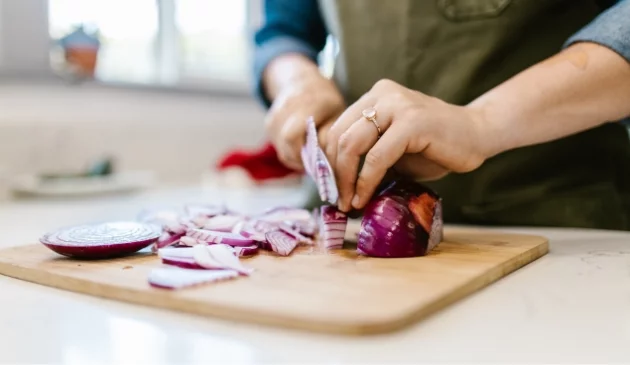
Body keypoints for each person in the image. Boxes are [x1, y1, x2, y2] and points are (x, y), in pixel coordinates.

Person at [253, 0, 630, 230]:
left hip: (554, 228)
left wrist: (480, 123)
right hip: (351, 228)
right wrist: (296, 80)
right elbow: (283, 30)